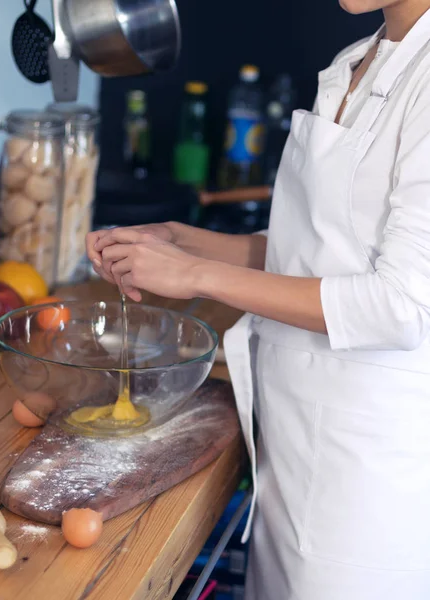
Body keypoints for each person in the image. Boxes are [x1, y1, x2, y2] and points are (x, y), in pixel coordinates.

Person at [86, 0, 430, 597]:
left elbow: (401, 305)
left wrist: (195, 274)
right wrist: (182, 240)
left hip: (366, 479)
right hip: (292, 445)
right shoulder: (359, 58)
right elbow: (310, 252)